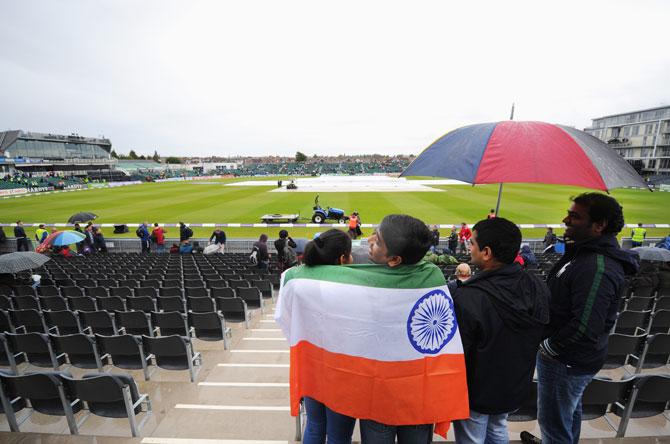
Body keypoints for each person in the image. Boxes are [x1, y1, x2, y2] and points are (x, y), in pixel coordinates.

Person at [522, 193, 640, 444]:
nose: (566, 219)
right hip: (569, 359)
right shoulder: (585, 255)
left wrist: (547, 347)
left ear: (599, 225)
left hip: (565, 361)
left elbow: (586, 327)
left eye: (575, 216)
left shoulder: (597, 266)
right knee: (568, 413)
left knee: (553, 424)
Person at [452, 217, 550, 444]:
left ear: (486, 252)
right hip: (514, 384)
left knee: (473, 437)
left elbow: (460, 352)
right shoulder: (537, 285)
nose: (469, 247)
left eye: (473, 243)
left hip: (477, 391)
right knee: (497, 426)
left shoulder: (469, 296)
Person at [360, 214, 443, 442]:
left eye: (376, 241)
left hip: (382, 393)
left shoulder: (361, 281)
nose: (368, 242)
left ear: (395, 259)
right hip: (414, 392)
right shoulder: (433, 275)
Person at [300, 229, 356, 443]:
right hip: (342, 371)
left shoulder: (299, 282)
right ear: (343, 259)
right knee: (338, 435)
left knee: (314, 426)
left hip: (311, 366)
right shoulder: (352, 287)